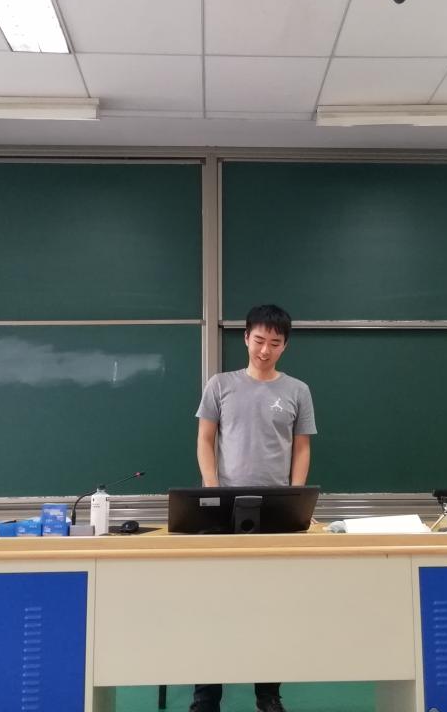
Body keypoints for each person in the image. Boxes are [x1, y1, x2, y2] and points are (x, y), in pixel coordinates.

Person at [191, 304, 317, 712]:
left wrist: (296, 497)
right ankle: (206, 697)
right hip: (223, 510)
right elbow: (205, 439)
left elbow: (302, 447)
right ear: (245, 338)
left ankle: (268, 695)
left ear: (285, 346)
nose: (265, 350)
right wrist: (212, 487)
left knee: (272, 606)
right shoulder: (220, 385)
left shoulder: (297, 391)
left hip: (276, 512)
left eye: (274, 343)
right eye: (259, 340)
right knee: (213, 606)